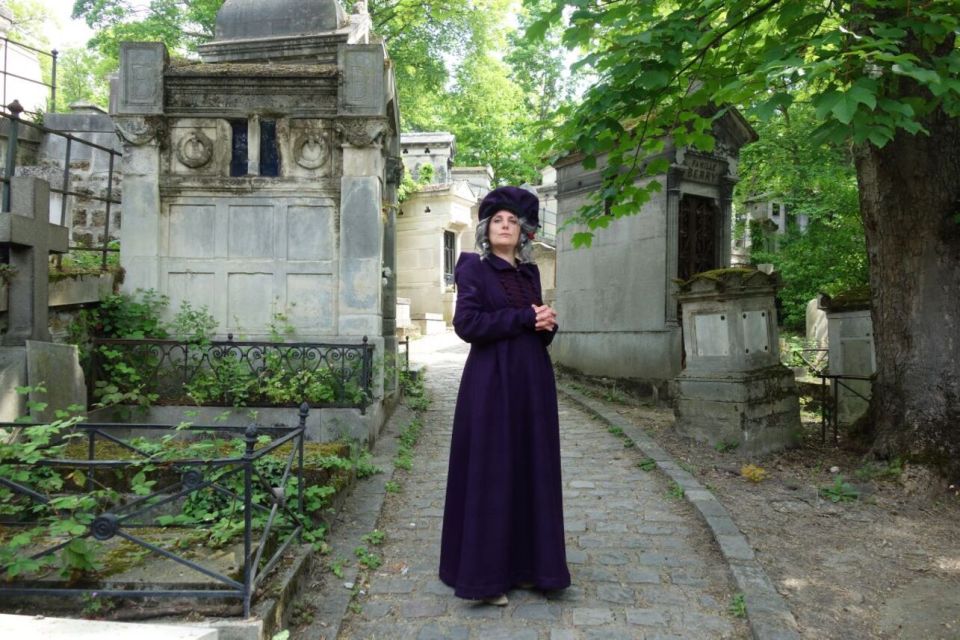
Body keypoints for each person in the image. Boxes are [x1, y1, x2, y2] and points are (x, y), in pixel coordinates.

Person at [438, 186, 571, 606]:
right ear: (485, 228)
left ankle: (530, 567)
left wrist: (547, 325)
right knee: (492, 470)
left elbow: (533, 332)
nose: (506, 226)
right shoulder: (472, 269)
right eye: (498, 220)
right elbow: (469, 325)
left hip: (532, 382)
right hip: (491, 384)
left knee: (530, 467)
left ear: (524, 232)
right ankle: (486, 577)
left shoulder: (529, 275)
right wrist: (523, 317)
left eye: (513, 221)